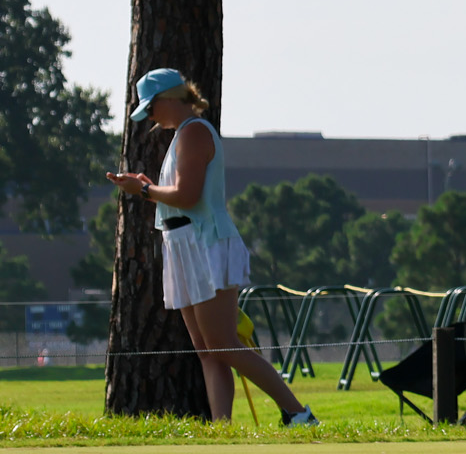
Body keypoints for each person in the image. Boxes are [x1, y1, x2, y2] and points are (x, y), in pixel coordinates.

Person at [104, 69, 318, 427]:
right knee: (207, 350)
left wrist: (143, 191)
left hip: (205, 243)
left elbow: (187, 196)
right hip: (184, 245)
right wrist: (150, 187)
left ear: (171, 98)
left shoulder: (194, 132)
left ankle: (298, 413)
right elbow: (180, 194)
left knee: (222, 343)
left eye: (152, 107)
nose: (151, 117)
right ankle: (222, 427)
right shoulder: (182, 136)